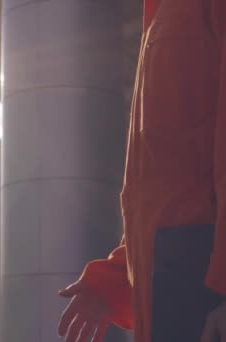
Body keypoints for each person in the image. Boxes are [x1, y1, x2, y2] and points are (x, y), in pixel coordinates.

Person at [57, 0, 226, 341]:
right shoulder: (162, 13)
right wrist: (120, 277)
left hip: (205, 289)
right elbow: (168, 186)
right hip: (176, 282)